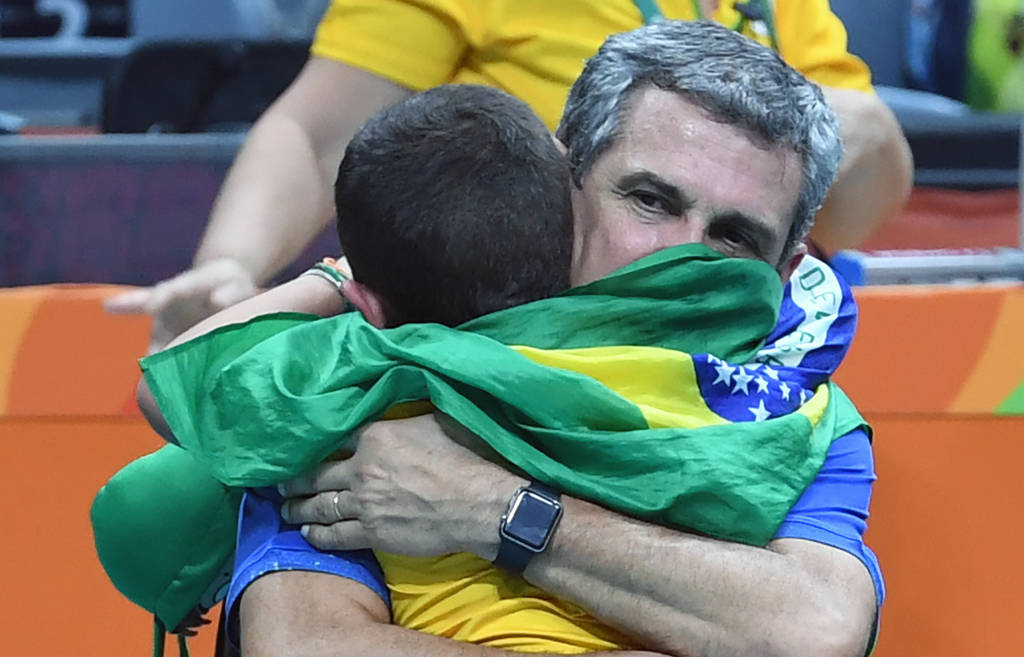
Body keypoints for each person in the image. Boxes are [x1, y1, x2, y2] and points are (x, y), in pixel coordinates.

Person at [216, 21, 879, 657]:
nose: (683, 258)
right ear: (561, 183)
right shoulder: (390, 356)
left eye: (734, 236)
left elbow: (811, 638)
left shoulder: (796, 416)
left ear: (785, 270)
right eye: (650, 201)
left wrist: (492, 507)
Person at [105, 0, 912, 354]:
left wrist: (854, 134)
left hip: (737, 361)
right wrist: (234, 262)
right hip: (514, 344)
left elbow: (852, 210)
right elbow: (317, 133)